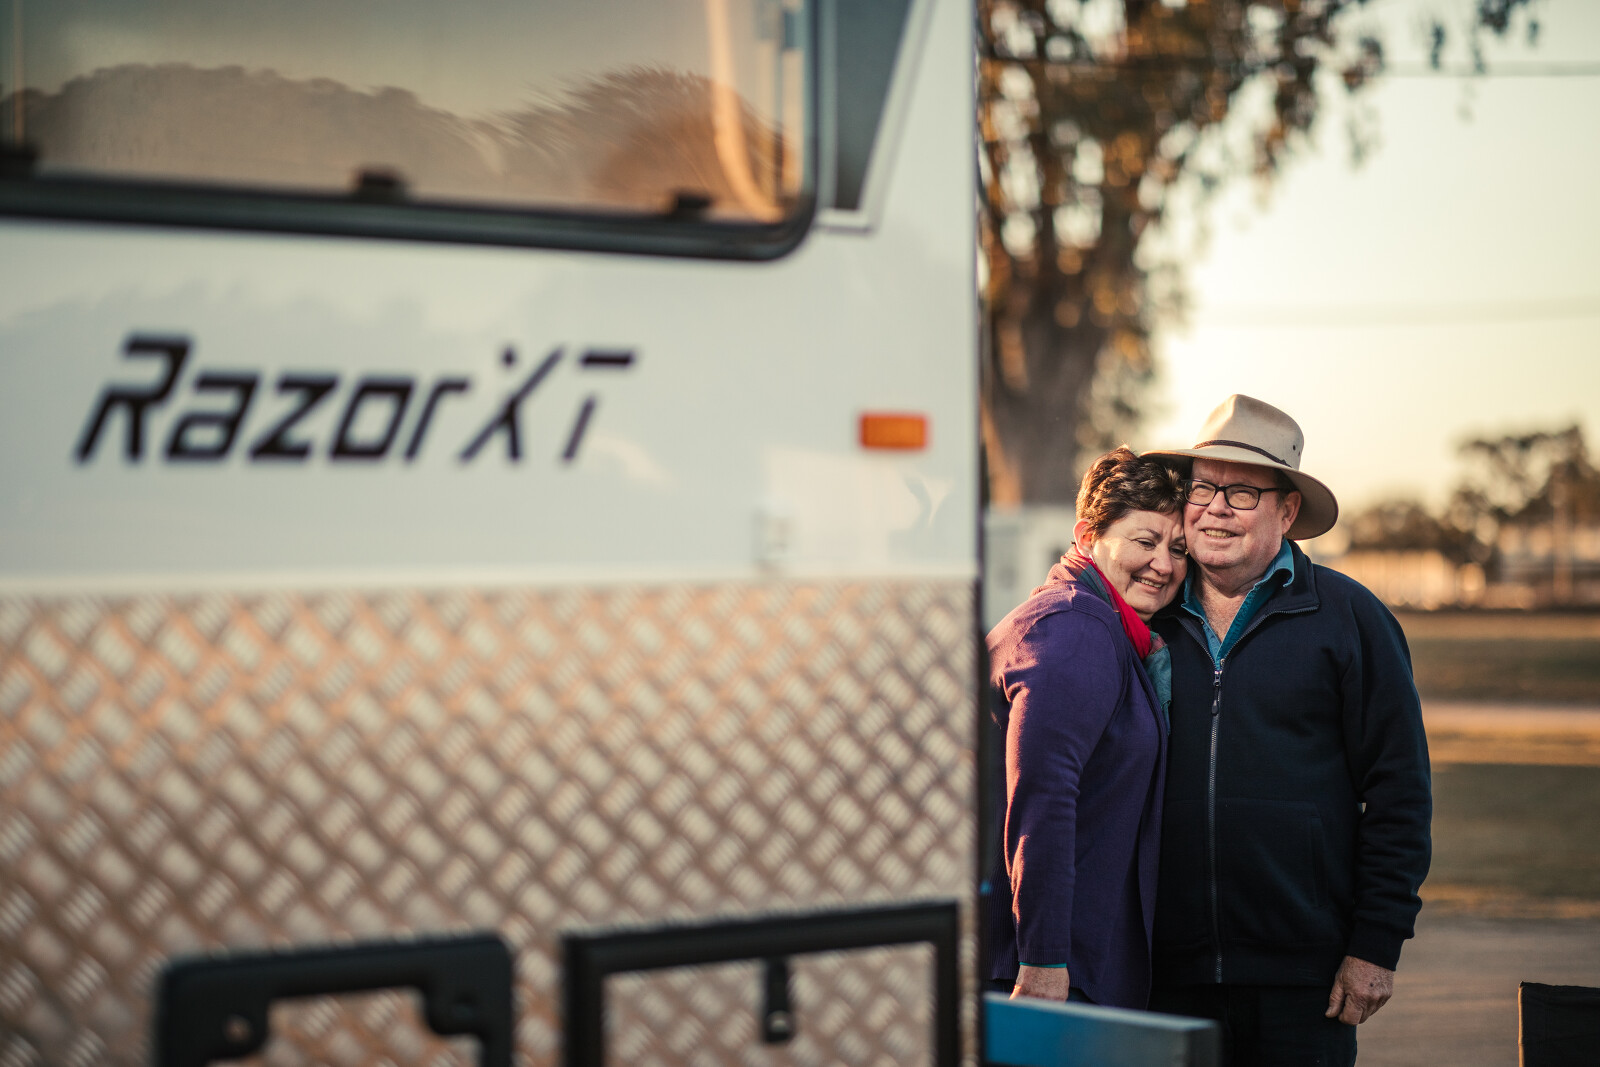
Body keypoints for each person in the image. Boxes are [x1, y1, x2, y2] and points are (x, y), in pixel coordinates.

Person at [1142, 395, 1432, 1065]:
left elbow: (1400, 792)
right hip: (1162, 973)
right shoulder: (1148, 615)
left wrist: (1376, 945)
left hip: (1305, 980)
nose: (1215, 508)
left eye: (1241, 492)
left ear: (1288, 510)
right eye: (1203, 488)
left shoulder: (1350, 618)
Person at [986, 446, 1188, 1009]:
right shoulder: (1075, 627)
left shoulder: (1106, 627)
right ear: (1087, 535)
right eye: (1145, 541)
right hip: (1041, 976)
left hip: (1069, 967)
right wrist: (1044, 960)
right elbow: (1044, 797)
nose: (1164, 565)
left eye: (1178, 549)